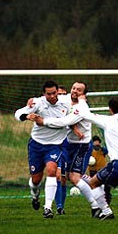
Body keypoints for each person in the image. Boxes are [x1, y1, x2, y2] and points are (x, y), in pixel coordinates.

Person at [32, 82, 101, 218]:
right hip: (66, 144)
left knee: (74, 177)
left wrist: (43, 121)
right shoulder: (67, 99)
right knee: (62, 176)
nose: (75, 91)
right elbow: (48, 98)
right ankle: (55, 207)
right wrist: (33, 101)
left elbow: (64, 122)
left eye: (79, 90)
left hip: (81, 146)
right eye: (74, 88)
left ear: (84, 94)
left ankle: (96, 206)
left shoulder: (82, 107)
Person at [14, 80, 70, 218]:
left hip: (55, 145)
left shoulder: (66, 102)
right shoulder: (38, 103)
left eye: (54, 93)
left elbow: (80, 102)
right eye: (48, 94)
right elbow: (18, 113)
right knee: (36, 180)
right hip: (37, 145)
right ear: (43, 94)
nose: (52, 96)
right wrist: (27, 116)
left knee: (52, 170)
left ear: (58, 91)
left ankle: (48, 208)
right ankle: (35, 195)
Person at [55, 86, 68, 215]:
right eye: (60, 94)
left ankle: (61, 206)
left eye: (65, 94)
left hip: (66, 146)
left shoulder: (68, 109)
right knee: (56, 176)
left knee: (64, 178)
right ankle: (58, 205)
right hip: (54, 146)